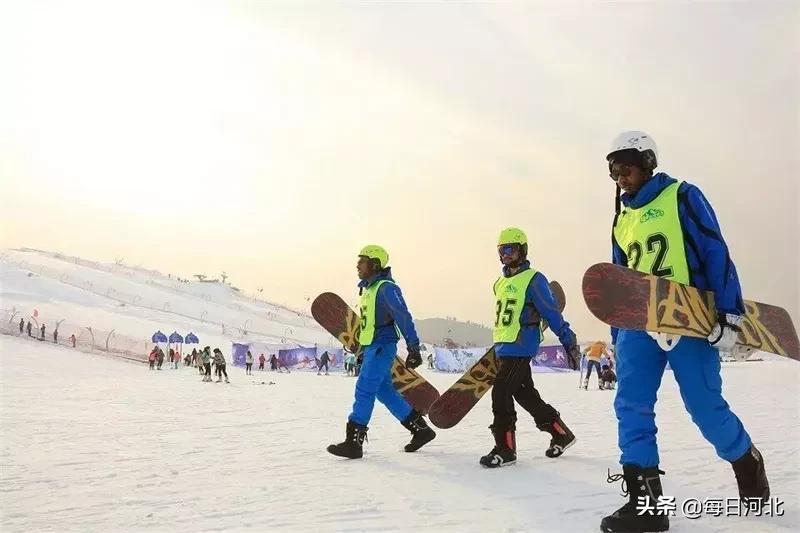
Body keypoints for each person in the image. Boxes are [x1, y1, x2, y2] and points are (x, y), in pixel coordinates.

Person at [599, 131, 768, 532]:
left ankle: (746, 458)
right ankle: (647, 506)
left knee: (704, 408)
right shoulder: (621, 219)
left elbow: (715, 250)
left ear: (647, 161)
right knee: (631, 407)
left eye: (625, 166)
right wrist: (618, 329)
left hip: (688, 316)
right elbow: (620, 278)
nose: (620, 176)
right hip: (641, 323)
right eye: (612, 170)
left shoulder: (682, 195)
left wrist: (729, 313)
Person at [480, 228, 581, 469]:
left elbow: (552, 313)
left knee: (501, 392)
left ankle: (505, 449)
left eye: (510, 249)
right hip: (505, 347)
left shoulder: (535, 279)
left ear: (522, 250)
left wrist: (569, 341)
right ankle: (560, 433)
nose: (505, 254)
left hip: (522, 346)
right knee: (525, 394)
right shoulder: (500, 283)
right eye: (501, 250)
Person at [327, 245, 435, 459]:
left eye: (362, 261)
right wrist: (362, 351)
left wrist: (413, 347)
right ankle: (421, 430)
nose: (357, 265)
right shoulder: (369, 289)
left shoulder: (386, 288)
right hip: (372, 347)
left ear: (375, 264)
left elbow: (403, 316)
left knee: (364, 388)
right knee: (384, 392)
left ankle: (353, 443)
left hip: (382, 346)